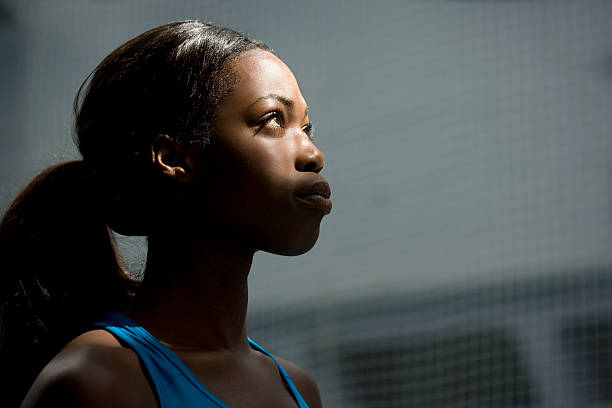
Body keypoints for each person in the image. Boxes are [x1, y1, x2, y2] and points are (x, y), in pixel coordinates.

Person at [0, 20, 328, 407]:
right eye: (273, 119)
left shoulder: (298, 388)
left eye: (306, 128)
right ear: (174, 157)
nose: (313, 155)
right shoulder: (96, 383)